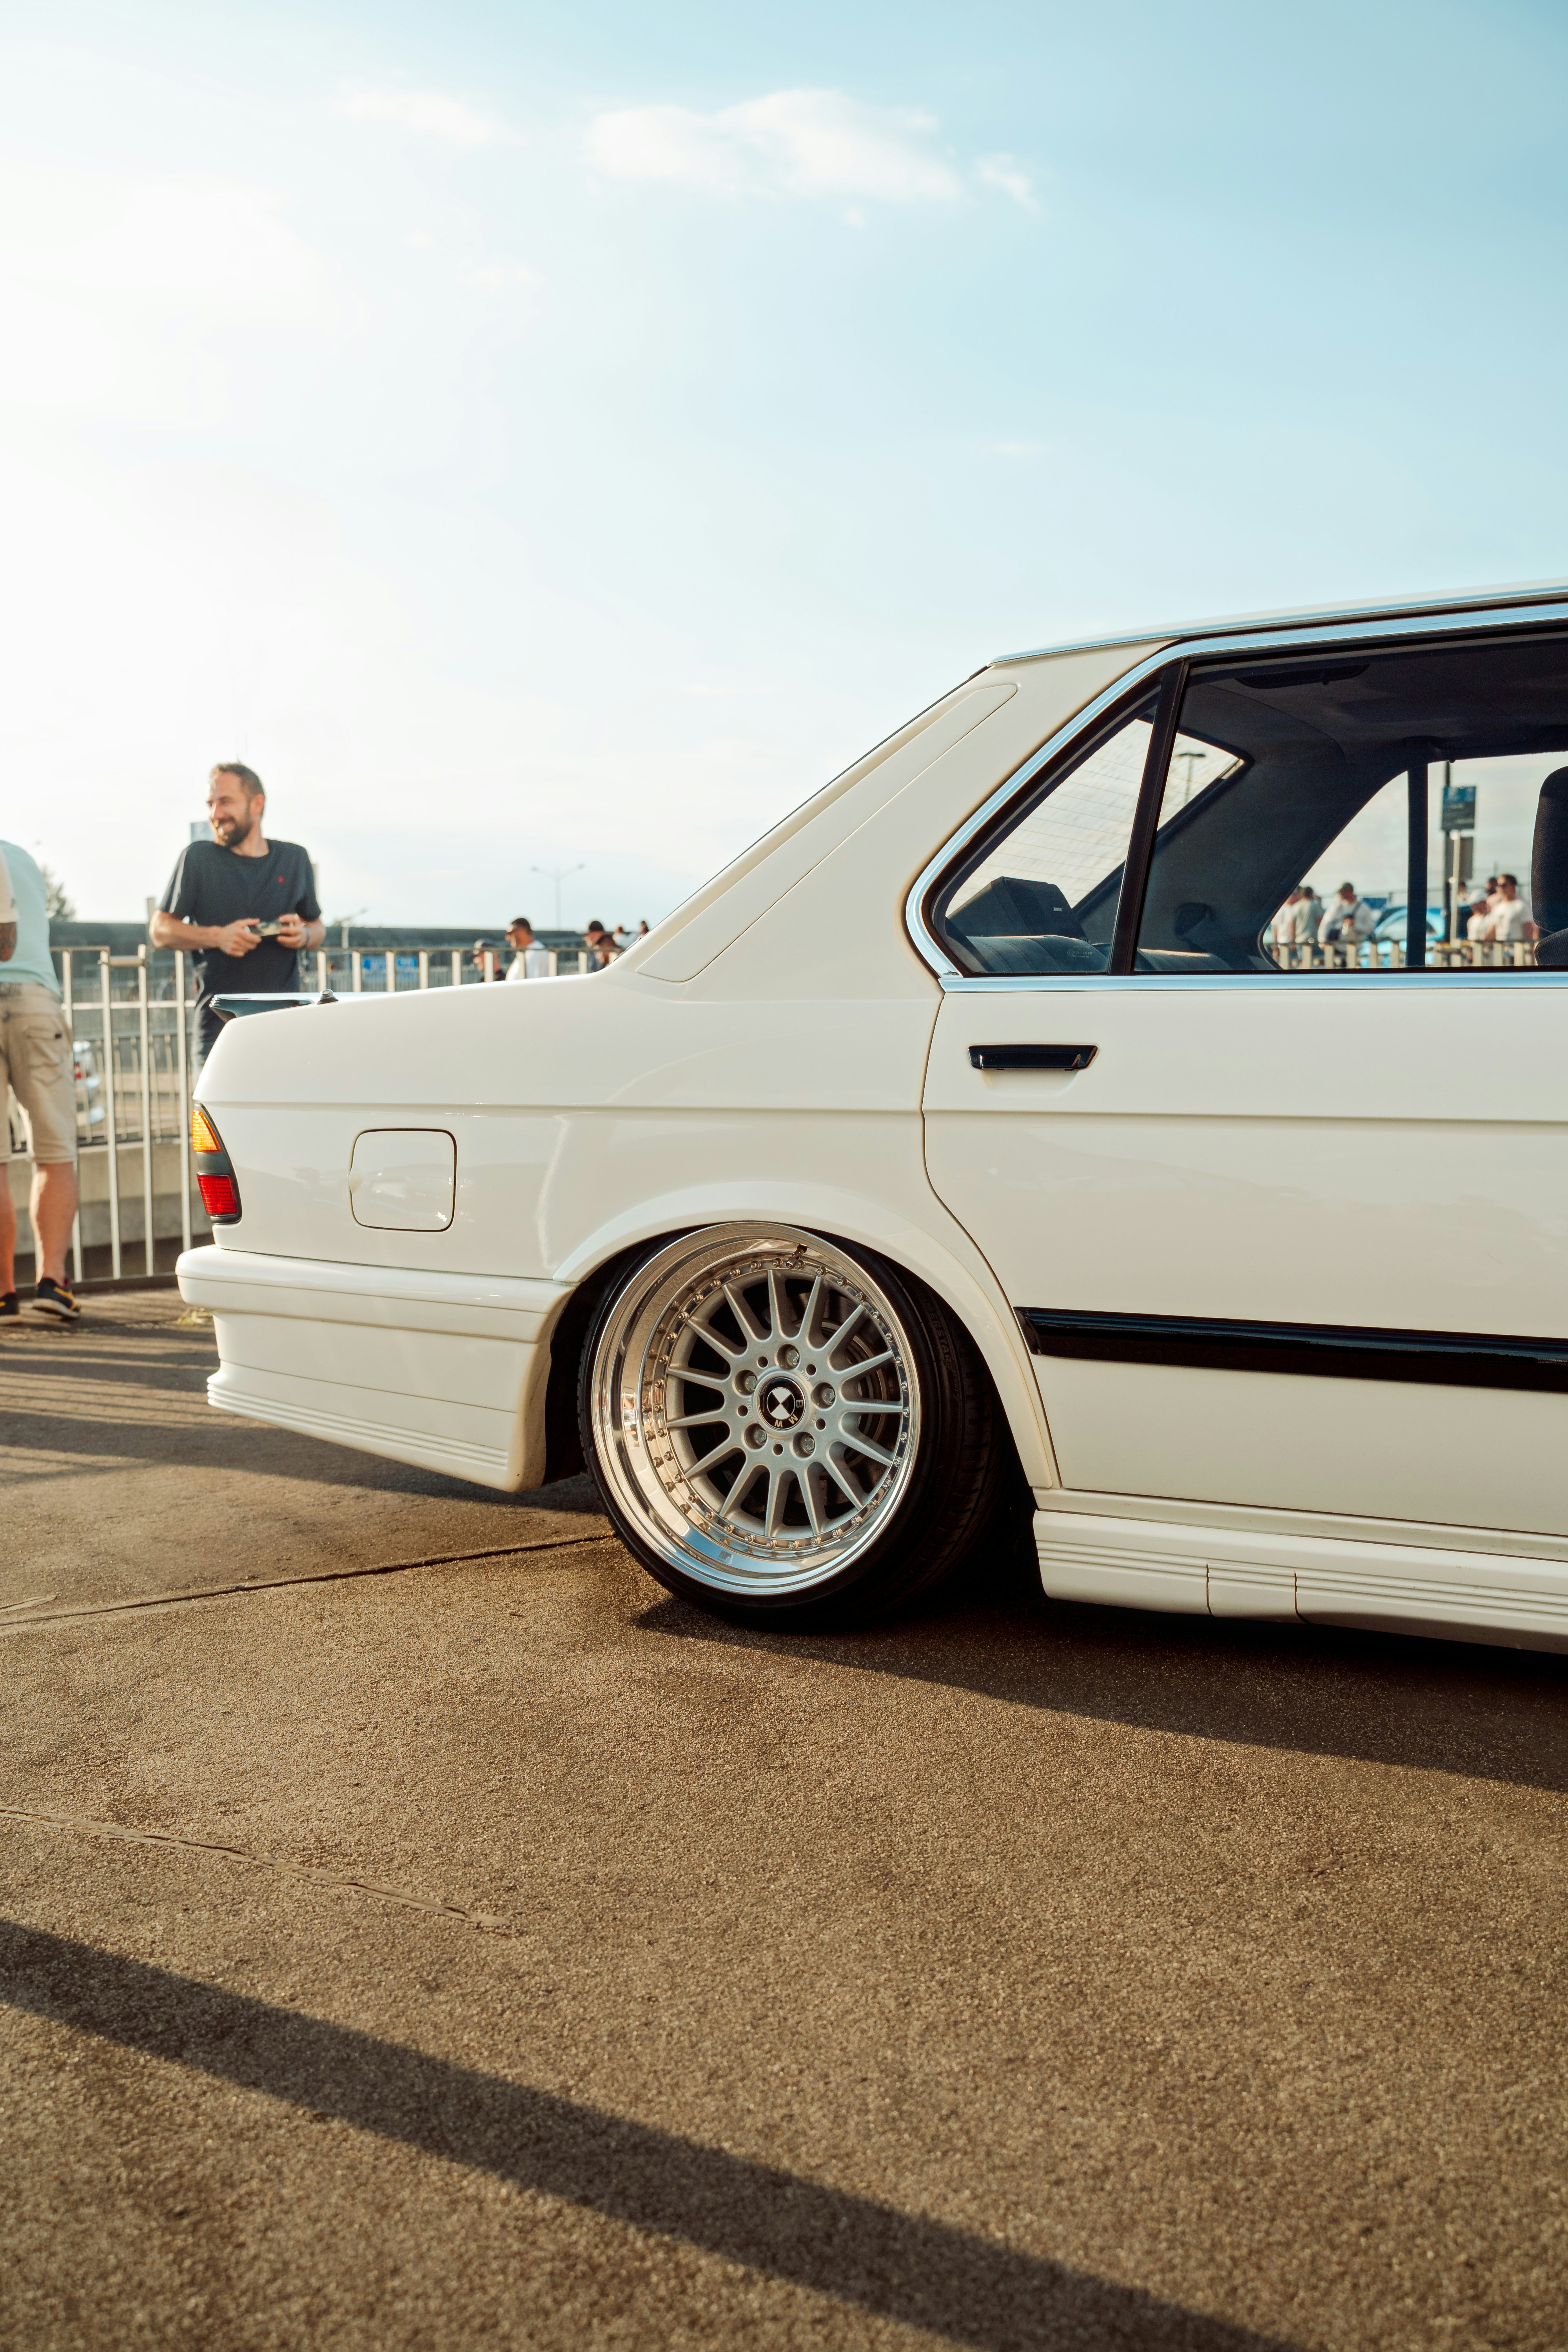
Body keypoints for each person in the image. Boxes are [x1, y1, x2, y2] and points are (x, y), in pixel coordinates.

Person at [149, 764, 323, 1071]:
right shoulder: (198, 858)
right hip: (219, 1031)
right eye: (211, 804)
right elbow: (160, 930)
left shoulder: (294, 859)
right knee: (218, 1121)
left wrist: (304, 936)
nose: (216, 814)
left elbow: (317, 927)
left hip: (285, 1027)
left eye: (225, 802)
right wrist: (218, 937)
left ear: (257, 804)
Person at [0, 839, 82, 1321]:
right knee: (55, 1150)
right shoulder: (22, 859)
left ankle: (2, 1293)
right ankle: (52, 1283)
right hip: (34, 1001)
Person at [1480, 873, 1535, 945]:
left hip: (1517, 951)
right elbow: (1492, 931)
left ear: (1513, 887)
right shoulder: (1497, 908)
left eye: (1504, 886)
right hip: (1501, 951)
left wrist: (1531, 950)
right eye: (1498, 886)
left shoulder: (1521, 906)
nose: (1500, 888)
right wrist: (1480, 945)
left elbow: (1529, 931)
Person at [1318, 882, 1375, 949]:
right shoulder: (1336, 908)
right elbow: (1326, 924)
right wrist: (1322, 941)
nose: (1341, 895)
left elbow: (1370, 928)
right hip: (1338, 947)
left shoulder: (1363, 908)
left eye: (1344, 892)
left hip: (1358, 948)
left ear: (1350, 892)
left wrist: (1354, 925)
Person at [504, 916, 552, 981]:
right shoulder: (529, 952)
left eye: (510, 933)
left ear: (521, 931)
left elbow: (533, 984)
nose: (508, 938)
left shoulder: (536, 952)